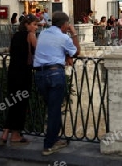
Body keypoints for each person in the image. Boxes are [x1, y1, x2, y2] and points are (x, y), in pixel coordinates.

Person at [33, 12, 80, 156]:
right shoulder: (64, 37)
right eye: (68, 24)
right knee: (54, 110)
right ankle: (48, 146)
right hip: (55, 75)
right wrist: (74, 34)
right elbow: (77, 52)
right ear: (64, 24)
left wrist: (64, 55)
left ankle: (55, 138)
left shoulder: (42, 34)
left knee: (53, 108)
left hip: (40, 75)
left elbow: (51, 49)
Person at [0, 14, 39, 146]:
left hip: (13, 72)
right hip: (23, 73)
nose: (36, 27)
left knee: (13, 102)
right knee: (21, 104)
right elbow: (38, 51)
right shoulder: (30, 35)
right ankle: (15, 135)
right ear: (27, 25)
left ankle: (5, 133)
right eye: (34, 24)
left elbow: (11, 50)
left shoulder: (16, 35)